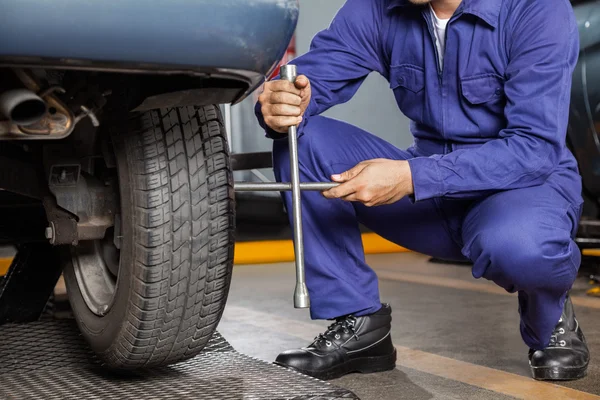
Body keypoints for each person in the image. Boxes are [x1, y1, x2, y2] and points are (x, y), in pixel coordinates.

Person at [255, 0, 589, 381]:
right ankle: (360, 323)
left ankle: (549, 318)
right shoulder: (380, 8)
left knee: (518, 245)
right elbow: (312, 78)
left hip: (521, 191)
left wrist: (412, 177)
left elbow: (534, 149)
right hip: (432, 200)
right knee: (302, 142)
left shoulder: (536, 8)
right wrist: (281, 102)